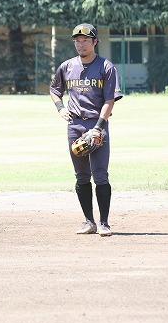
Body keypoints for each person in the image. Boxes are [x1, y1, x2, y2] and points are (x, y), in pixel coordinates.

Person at [49, 23, 123, 237]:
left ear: (95, 42)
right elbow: (54, 89)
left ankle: (104, 223)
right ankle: (89, 222)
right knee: (81, 176)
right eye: (77, 41)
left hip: (96, 124)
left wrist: (98, 128)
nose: (81, 45)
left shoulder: (106, 67)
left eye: (85, 41)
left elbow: (110, 100)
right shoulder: (66, 66)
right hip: (74, 125)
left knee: (100, 175)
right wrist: (60, 107)